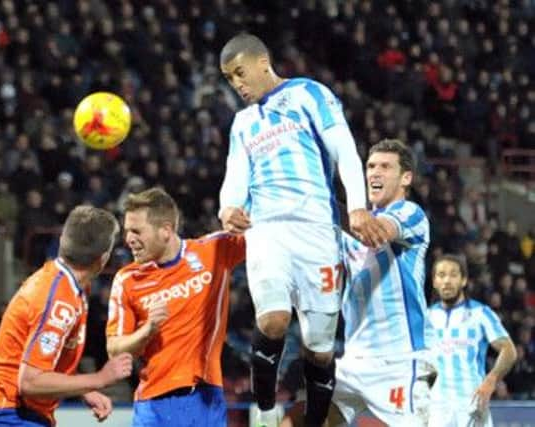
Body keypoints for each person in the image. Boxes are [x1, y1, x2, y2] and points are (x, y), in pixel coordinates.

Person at [218, 33, 389, 427]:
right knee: (273, 321)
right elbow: (235, 177)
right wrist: (228, 207)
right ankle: (264, 406)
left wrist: (359, 208)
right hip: (268, 229)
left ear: (263, 62)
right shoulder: (243, 123)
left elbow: (344, 149)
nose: (237, 85)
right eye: (230, 79)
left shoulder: (309, 95)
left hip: (317, 229)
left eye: (240, 74)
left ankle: (313, 421)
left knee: (319, 350)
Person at [282, 139, 437, 426]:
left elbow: (373, 234)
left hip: (400, 361)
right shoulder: (347, 232)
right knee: (298, 420)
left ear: (406, 178)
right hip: (353, 361)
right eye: (370, 166)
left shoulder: (410, 215)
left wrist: (320, 198)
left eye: (385, 167)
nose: (374, 173)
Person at [0, 206, 133, 427]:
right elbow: (29, 381)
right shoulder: (59, 301)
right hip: (11, 415)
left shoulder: (64, 283)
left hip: (16, 412)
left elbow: (48, 356)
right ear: (103, 258)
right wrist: (99, 378)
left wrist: (84, 389)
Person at [105, 187, 245, 427]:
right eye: (127, 231)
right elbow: (115, 351)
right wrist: (147, 330)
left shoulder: (214, 251)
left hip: (205, 397)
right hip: (153, 404)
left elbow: (267, 233)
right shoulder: (127, 280)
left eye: (136, 231)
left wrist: (231, 210)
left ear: (166, 230)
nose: (128, 239)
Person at [428, 254, 517, 427]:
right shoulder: (426, 317)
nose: (447, 280)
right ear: (434, 282)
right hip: (436, 408)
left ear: (464, 280)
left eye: (453, 275)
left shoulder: (481, 313)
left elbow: (509, 350)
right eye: (441, 275)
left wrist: (491, 381)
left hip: (471, 404)